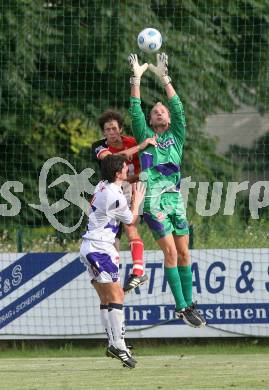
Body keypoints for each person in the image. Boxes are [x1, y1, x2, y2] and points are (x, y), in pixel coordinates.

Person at [128, 52, 206, 328]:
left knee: (185, 254)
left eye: (163, 110)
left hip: (175, 201)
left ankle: (189, 303)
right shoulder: (145, 136)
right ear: (150, 120)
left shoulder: (176, 136)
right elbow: (135, 109)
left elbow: (179, 107)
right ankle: (182, 306)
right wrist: (136, 79)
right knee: (170, 253)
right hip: (152, 201)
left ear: (169, 119)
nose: (159, 111)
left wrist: (164, 79)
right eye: (155, 111)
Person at [80, 154, 145, 368]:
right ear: (118, 173)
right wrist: (137, 201)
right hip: (100, 248)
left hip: (92, 246)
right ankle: (119, 344)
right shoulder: (114, 196)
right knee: (117, 295)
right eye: (126, 168)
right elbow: (131, 220)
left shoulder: (103, 185)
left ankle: (113, 343)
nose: (128, 170)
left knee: (107, 298)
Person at [91, 109, 157, 292]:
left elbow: (147, 161)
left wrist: (142, 177)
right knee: (111, 239)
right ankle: (113, 277)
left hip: (130, 188)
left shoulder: (133, 142)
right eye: (107, 130)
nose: (111, 133)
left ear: (121, 129)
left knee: (130, 226)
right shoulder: (99, 146)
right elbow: (112, 160)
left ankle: (137, 271)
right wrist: (141, 146)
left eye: (114, 128)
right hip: (110, 191)